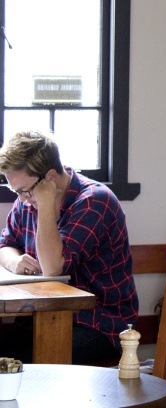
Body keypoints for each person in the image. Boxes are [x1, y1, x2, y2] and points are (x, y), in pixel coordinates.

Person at [0, 130, 138, 363]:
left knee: (29, 362)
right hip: (40, 318)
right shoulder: (27, 199)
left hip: (98, 325)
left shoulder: (94, 201)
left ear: (50, 177)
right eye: (16, 192)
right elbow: (5, 245)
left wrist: (45, 203)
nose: (21, 199)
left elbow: (53, 268)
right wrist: (15, 262)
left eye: (25, 191)